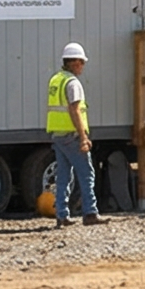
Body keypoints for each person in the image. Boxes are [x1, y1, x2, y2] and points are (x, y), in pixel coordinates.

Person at [45, 42, 106, 227]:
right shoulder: (72, 83)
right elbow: (74, 110)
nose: (83, 66)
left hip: (58, 134)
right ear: (75, 62)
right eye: (82, 62)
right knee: (86, 173)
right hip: (72, 135)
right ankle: (90, 212)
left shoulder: (56, 79)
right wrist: (83, 137)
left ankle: (62, 214)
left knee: (63, 175)